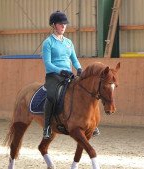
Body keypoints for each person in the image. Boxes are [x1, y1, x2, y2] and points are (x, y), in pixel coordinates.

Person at [41, 10, 100, 139]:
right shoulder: (48, 43)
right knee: (51, 96)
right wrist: (61, 71)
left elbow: (74, 59)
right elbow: (48, 64)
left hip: (68, 75)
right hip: (53, 75)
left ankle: (92, 123)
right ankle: (47, 127)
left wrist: (79, 69)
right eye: (60, 24)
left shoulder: (68, 43)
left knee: (85, 92)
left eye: (65, 24)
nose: (63, 26)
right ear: (53, 25)